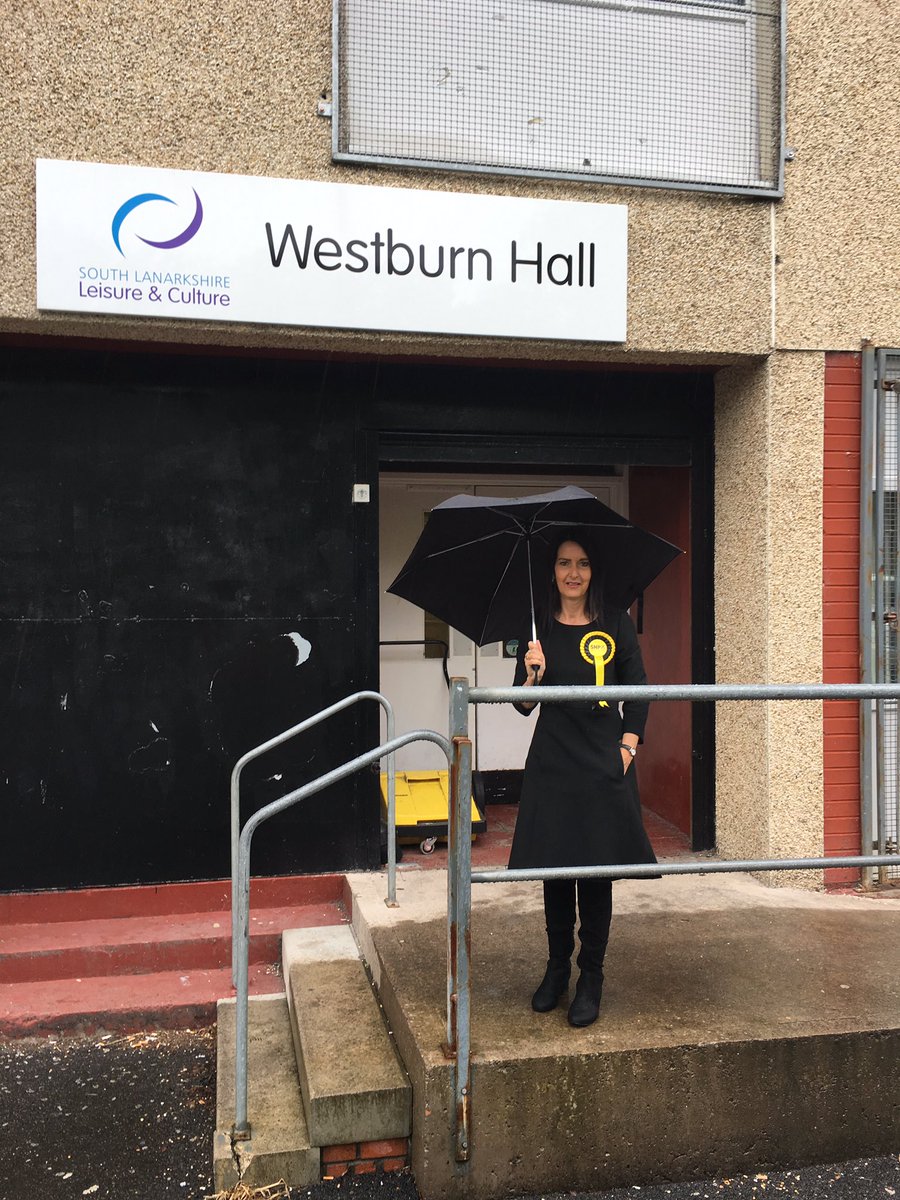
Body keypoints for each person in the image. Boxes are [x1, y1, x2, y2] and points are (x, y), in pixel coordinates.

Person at [508, 530, 657, 1027]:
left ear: (594, 571)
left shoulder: (616, 621)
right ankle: (556, 969)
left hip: (603, 760)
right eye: (564, 563)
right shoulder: (538, 629)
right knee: (555, 868)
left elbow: (638, 688)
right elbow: (521, 705)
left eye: (583, 563)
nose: (574, 573)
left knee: (595, 871)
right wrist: (531, 675)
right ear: (552, 572)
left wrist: (628, 747)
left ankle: (591, 976)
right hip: (553, 761)